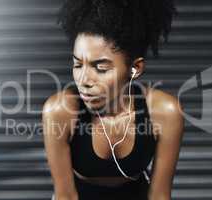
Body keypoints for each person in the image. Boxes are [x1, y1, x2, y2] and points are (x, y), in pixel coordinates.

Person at [42, 0, 184, 199]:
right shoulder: (60, 111)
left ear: (135, 68)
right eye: (77, 65)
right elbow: (65, 196)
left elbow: (159, 195)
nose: (84, 80)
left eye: (100, 68)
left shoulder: (164, 111)